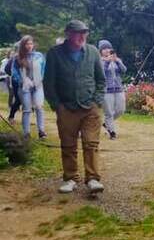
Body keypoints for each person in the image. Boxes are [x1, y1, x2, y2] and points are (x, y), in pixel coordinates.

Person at [44, 20, 106, 195]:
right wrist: (57, 106)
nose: (82, 36)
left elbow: (101, 80)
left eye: (84, 33)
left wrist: (97, 101)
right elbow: (48, 83)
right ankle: (71, 178)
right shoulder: (55, 53)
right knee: (68, 144)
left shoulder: (93, 51)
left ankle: (92, 178)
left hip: (90, 107)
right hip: (66, 107)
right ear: (68, 34)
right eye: (78, 33)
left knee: (91, 143)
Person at [11, 35, 46, 139]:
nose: (29, 46)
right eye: (27, 44)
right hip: (24, 87)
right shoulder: (17, 58)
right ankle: (26, 133)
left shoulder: (39, 56)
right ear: (23, 45)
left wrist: (41, 79)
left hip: (38, 85)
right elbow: (14, 72)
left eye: (31, 43)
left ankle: (41, 131)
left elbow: (44, 68)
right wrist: (21, 80)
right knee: (26, 109)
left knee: (39, 107)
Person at [98, 40, 126, 139]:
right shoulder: (99, 61)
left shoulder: (116, 59)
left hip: (118, 89)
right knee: (108, 112)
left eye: (108, 48)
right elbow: (101, 73)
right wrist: (107, 62)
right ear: (100, 51)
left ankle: (107, 123)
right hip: (106, 90)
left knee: (121, 110)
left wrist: (117, 61)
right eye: (104, 49)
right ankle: (112, 132)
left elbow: (124, 70)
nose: (107, 50)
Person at [3, 44, 22, 123]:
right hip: (16, 82)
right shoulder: (14, 58)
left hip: (27, 81)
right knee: (19, 99)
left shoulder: (30, 56)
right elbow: (6, 69)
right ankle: (11, 116)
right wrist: (14, 76)